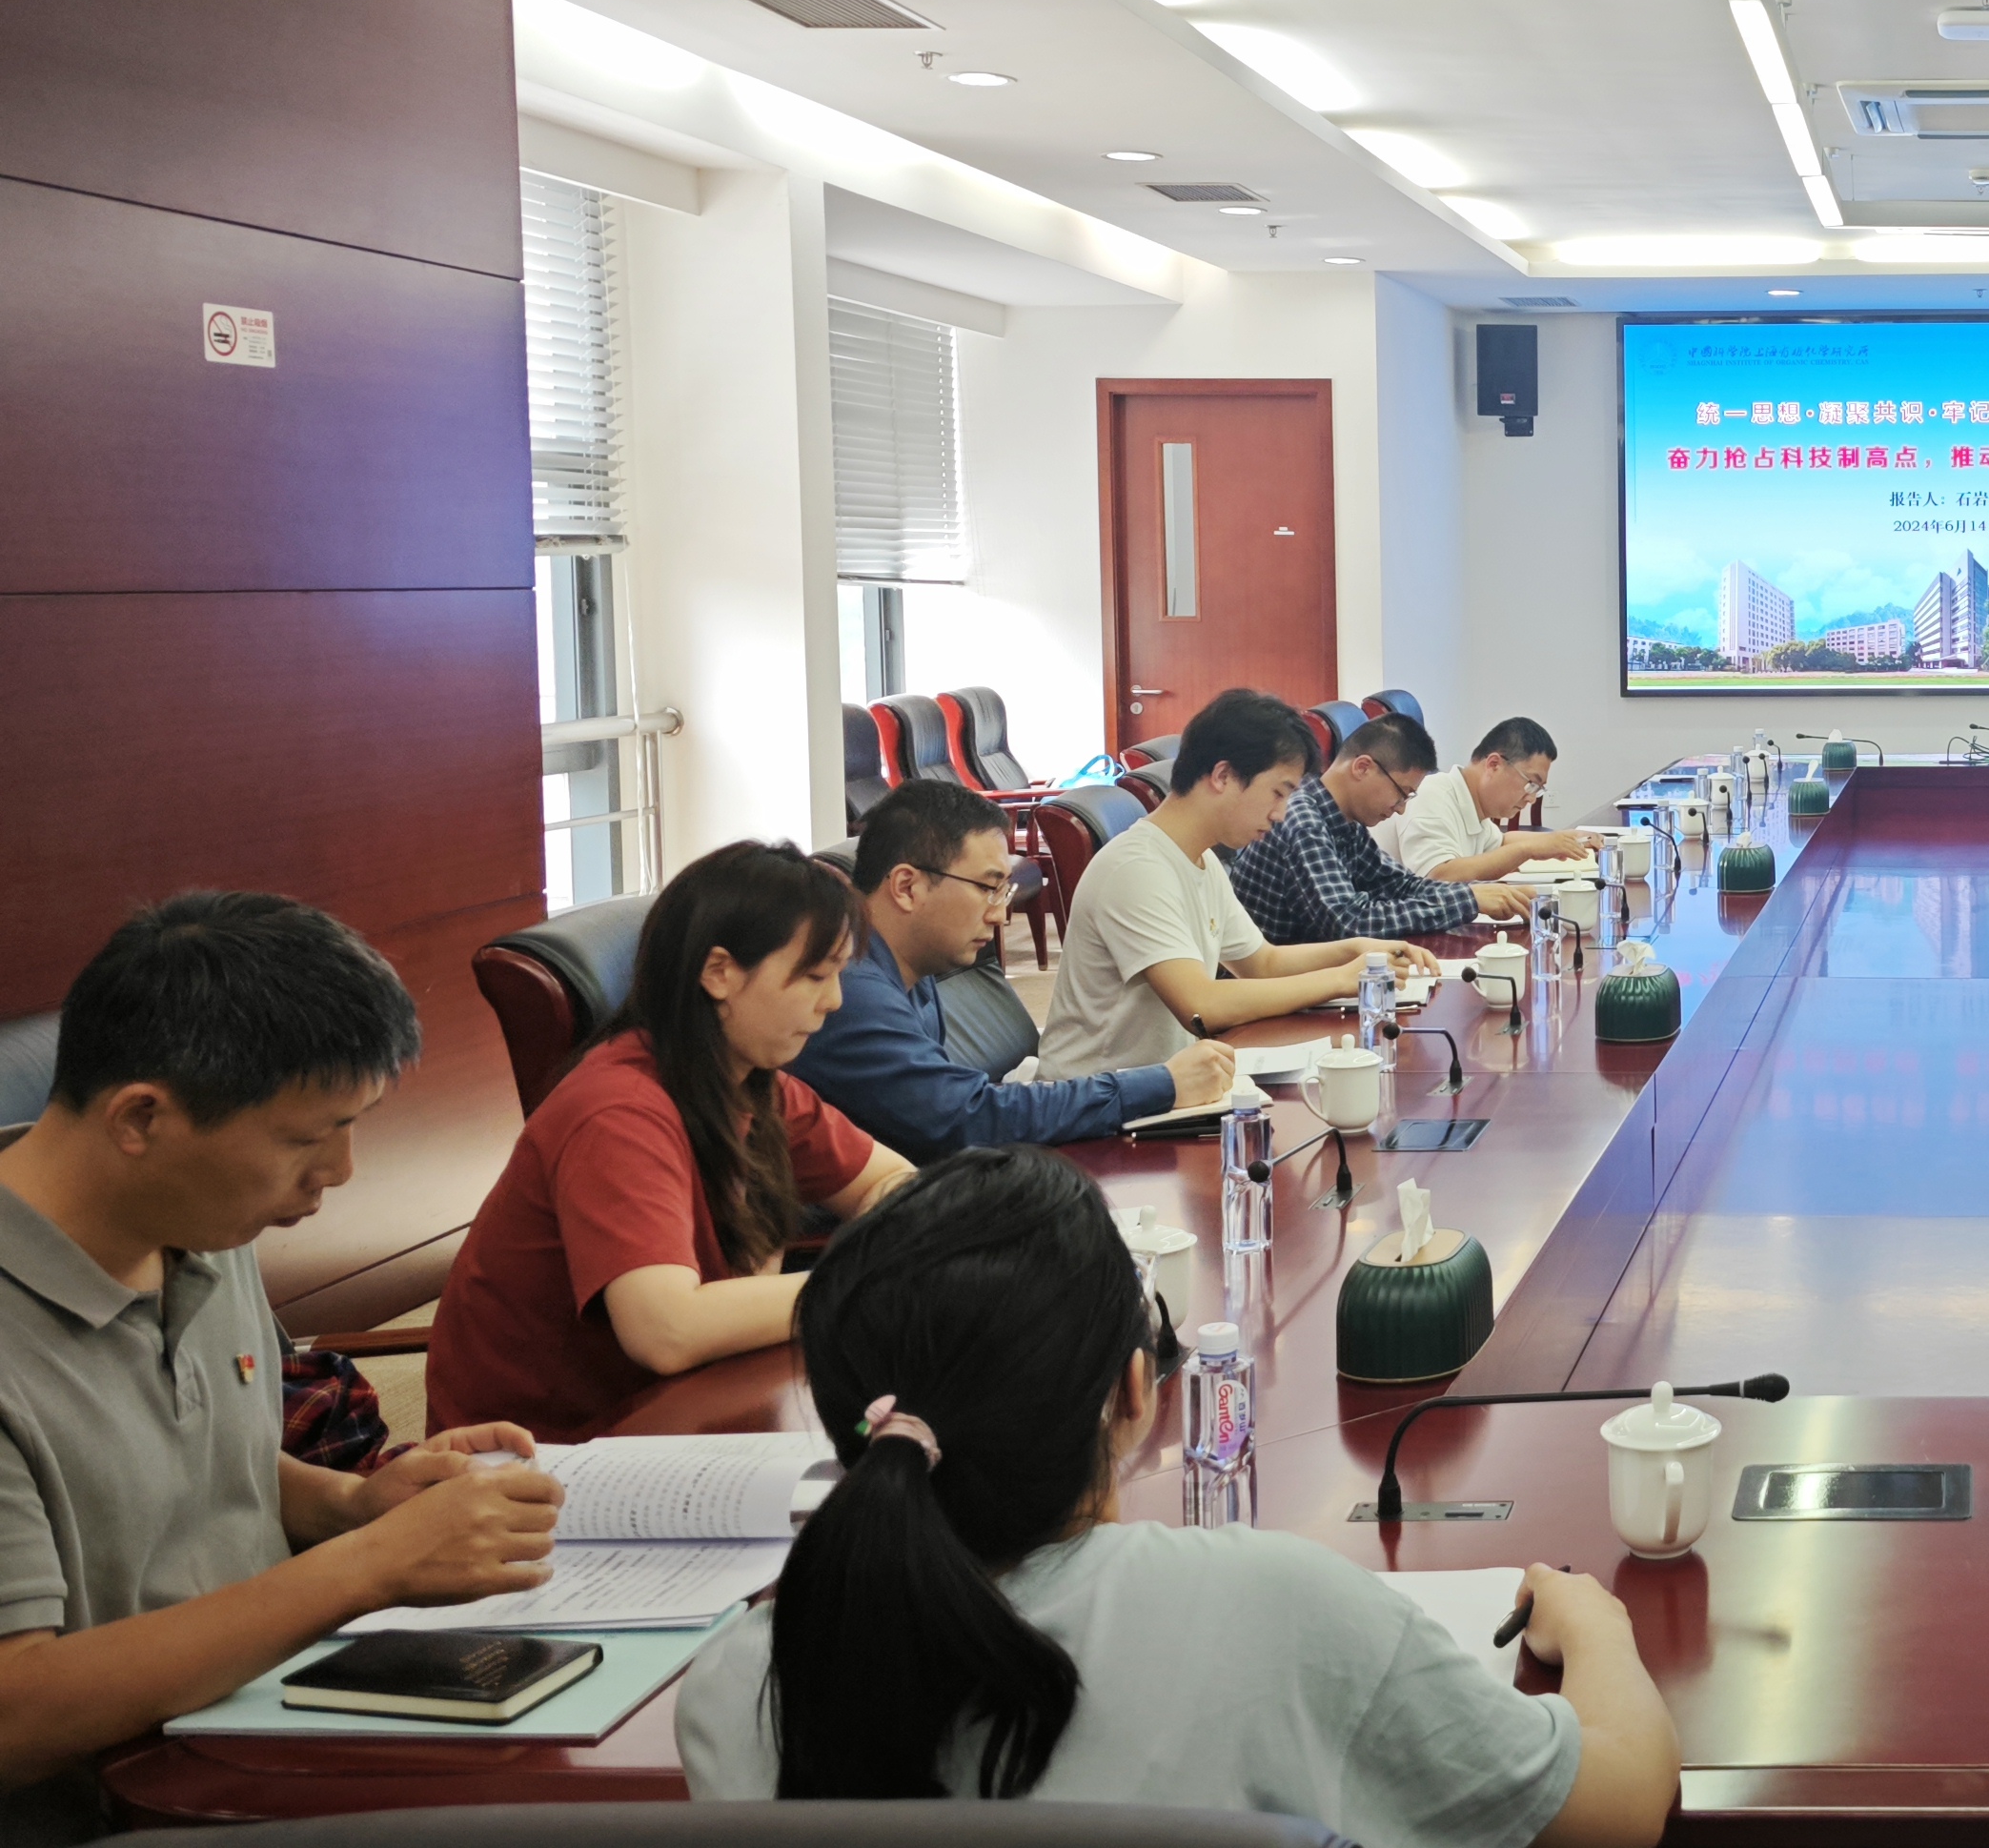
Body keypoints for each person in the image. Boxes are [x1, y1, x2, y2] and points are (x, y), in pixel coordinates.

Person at [675, 1148, 1680, 1846]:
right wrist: (1596, 1630)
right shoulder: (1276, 1610)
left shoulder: (735, 1685)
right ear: (1134, 1393)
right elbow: (1622, 1808)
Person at [0, 896, 570, 1843]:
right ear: (141, 1117)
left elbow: (183, 1455)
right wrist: (367, 1566)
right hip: (125, 1811)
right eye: (306, 1138)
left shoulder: (199, 1223)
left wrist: (352, 1506)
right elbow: (14, 1714)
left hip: (268, 1737)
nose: (339, 1171)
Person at [430, 843, 920, 1440]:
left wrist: (878, 1250)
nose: (834, 1001)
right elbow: (666, 1331)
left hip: (687, 1408)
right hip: (543, 1455)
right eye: (816, 976)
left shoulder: (754, 1084)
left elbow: (894, 1182)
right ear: (719, 973)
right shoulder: (618, 1112)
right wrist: (862, 1283)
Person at [789, 781, 1233, 1163]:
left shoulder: (910, 967)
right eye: (988, 888)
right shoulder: (850, 990)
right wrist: (1161, 1084)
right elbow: (968, 1118)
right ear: (907, 887)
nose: (1001, 915)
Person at [1037, 689, 1442, 1086]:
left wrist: (1356, 950)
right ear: (1223, 776)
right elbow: (1201, 1006)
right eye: (1278, 793)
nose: (1281, 814)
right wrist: (1341, 979)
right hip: (1098, 1098)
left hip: (1165, 1083)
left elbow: (1262, 962)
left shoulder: (1201, 859)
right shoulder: (1137, 868)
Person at [1232, 711, 1527, 944]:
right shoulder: (1302, 819)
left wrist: (1476, 894)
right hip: (1273, 988)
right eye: (1402, 793)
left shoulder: (1345, 821)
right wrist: (1466, 901)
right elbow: (1349, 922)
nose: (1401, 808)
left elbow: (1398, 885)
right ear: (1363, 767)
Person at [1381, 717, 1594, 883]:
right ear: (1494, 764)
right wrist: (1528, 850)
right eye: (1531, 783)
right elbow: (1438, 876)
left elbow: (1500, 843)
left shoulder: (1471, 802)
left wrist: (1561, 839)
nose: (1531, 798)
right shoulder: (1431, 795)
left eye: (1537, 789)